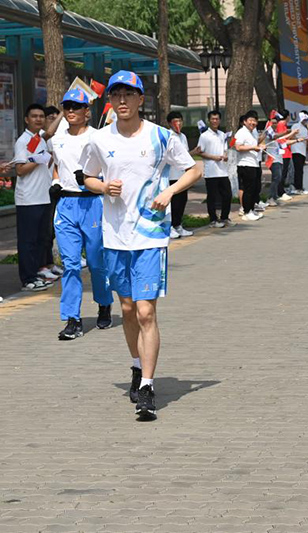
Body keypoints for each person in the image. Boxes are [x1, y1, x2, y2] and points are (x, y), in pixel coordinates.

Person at [80, 70, 203, 420]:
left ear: (140, 99)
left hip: (150, 235)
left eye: (128, 94)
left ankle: (147, 386)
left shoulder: (161, 137)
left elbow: (194, 170)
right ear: (110, 100)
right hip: (115, 236)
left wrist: (170, 191)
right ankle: (136, 365)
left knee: (146, 311)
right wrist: (102, 187)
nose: (122, 100)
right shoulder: (99, 139)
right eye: (116, 95)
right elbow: (86, 176)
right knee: (128, 309)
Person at [49, 88, 113, 340]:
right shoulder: (57, 139)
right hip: (66, 205)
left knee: (96, 262)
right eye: (67, 107)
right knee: (71, 264)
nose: (71, 111)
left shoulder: (99, 137)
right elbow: (57, 166)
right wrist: (56, 182)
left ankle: (104, 303)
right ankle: (72, 319)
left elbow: (110, 168)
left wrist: (92, 179)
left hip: (93, 203)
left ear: (87, 111)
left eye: (76, 106)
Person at [12, 104, 55, 291]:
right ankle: (28, 279)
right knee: (28, 241)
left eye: (41, 116)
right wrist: (39, 159)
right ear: (26, 119)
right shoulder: (23, 141)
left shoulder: (38, 139)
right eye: (34, 116)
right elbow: (20, 170)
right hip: (28, 199)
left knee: (39, 240)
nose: (38, 119)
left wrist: (62, 113)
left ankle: (36, 274)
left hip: (42, 197)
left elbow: (49, 133)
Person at [195, 110, 233, 228]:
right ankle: (213, 219)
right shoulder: (204, 136)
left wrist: (225, 156)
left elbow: (225, 149)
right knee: (212, 196)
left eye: (217, 119)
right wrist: (213, 157)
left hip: (223, 171)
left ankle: (225, 217)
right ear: (209, 120)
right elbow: (200, 152)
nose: (215, 121)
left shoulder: (222, 134)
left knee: (227, 195)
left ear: (220, 120)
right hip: (211, 171)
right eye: (213, 119)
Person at [166, 111, 193, 239]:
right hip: (171, 176)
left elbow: (185, 155)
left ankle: (178, 225)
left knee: (182, 201)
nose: (178, 124)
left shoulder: (183, 137)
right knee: (173, 203)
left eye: (180, 121)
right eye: (175, 122)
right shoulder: (168, 136)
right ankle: (169, 226)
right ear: (170, 123)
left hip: (182, 176)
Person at [234, 110, 266, 221]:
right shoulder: (241, 132)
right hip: (245, 164)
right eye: (250, 120)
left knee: (254, 189)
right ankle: (246, 211)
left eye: (255, 121)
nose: (253, 123)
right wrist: (253, 148)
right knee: (248, 189)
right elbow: (238, 147)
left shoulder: (253, 132)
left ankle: (251, 209)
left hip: (254, 163)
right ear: (245, 121)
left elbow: (256, 143)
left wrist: (260, 146)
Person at [290, 112, 308, 195]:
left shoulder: (305, 129)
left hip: (302, 150)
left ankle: (299, 186)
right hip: (296, 150)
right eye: (305, 120)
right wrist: (300, 138)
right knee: (298, 169)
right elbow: (291, 136)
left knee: (300, 169)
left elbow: (307, 139)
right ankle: (298, 187)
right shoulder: (295, 126)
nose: (306, 121)